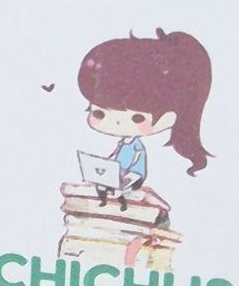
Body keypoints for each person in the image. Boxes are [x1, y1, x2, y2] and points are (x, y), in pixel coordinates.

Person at [77, 28, 213, 222]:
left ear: (169, 117)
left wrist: (126, 179)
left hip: (130, 182)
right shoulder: (123, 144)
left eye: (137, 118)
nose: (117, 122)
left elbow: (136, 170)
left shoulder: (136, 147)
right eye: (100, 113)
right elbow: (115, 162)